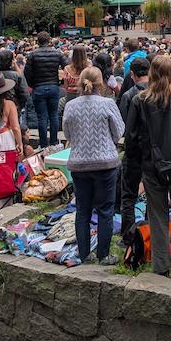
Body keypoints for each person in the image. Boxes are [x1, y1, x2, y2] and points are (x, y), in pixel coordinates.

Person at [124, 55, 171, 281]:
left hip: (152, 168)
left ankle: (161, 267)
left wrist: (137, 167)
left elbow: (131, 139)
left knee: (157, 218)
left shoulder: (140, 101)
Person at [63, 66, 124, 265]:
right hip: (105, 163)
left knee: (83, 210)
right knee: (106, 210)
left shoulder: (70, 105)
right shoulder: (107, 103)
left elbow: (68, 134)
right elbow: (119, 131)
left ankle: (84, 254)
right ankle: (104, 255)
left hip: (79, 164)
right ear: (101, 83)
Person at [24, 32, 65, 148]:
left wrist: (33, 84)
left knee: (42, 117)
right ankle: (54, 142)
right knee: (53, 115)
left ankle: (43, 144)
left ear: (38, 41)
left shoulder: (32, 55)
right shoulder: (57, 53)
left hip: (38, 87)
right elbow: (67, 66)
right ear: (49, 40)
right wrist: (60, 81)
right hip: (53, 86)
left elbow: (27, 73)